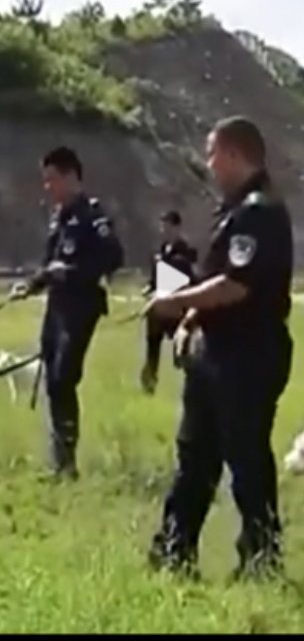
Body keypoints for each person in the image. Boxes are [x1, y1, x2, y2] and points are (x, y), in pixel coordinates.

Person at [145, 117, 293, 581]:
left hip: (249, 355)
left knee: (246, 459)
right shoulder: (231, 210)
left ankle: (260, 559)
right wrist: (191, 320)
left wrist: (174, 302)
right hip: (216, 352)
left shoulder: (258, 211)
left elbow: (235, 287)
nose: (208, 164)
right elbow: (216, 277)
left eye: (212, 153)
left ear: (233, 154)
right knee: (194, 457)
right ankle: (173, 552)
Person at [11, 147, 123, 480]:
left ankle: (66, 463)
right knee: (53, 381)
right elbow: (50, 264)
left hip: (81, 306)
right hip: (56, 306)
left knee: (63, 379)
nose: (48, 187)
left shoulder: (93, 216)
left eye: (52, 179)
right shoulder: (58, 217)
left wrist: (72, 271)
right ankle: (59, 458)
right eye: (45, 180)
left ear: (72, 176)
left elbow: (113, 258)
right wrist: (32, 285)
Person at [139, 210, 198, 394]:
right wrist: (149, 289)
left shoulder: (187, 253)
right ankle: (150, 382)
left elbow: (190, 280)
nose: (165, 229)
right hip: (159, 308)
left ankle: (192, 384)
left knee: (181, 349)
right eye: (162, 225)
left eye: (168, 226)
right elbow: (155, 279)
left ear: (177, 227)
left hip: (178, 308)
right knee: (152, 345)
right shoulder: (159, 252)